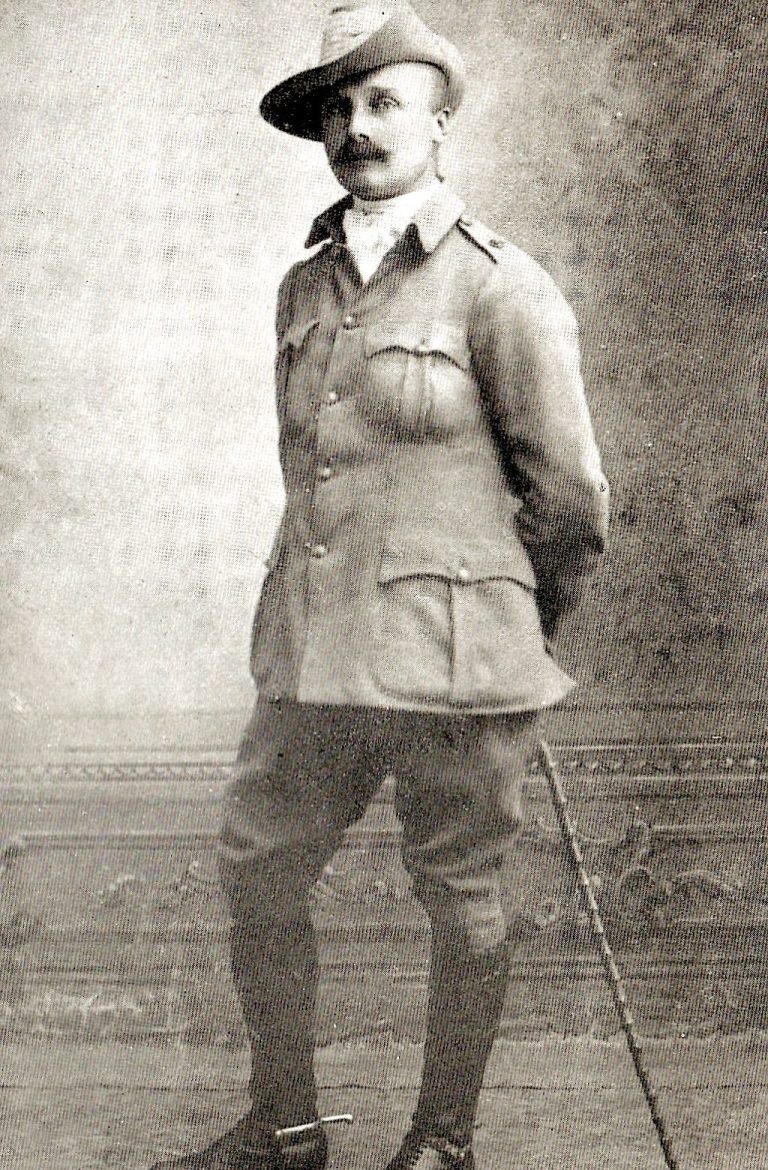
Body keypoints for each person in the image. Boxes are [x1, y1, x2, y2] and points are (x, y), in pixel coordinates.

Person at [151, 2, 609, 1168]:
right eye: (338, 108)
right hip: (315, 652)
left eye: (384, 100)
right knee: (261, 866)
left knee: (459, 895)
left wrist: (507, 623)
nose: (358, 127)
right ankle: (288, 1128)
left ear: (440, 124)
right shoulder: (303, 288)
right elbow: (312, 476)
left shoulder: (505, 290)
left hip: (455, 657)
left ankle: (442, 1142)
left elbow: (569, 504)